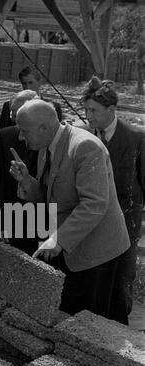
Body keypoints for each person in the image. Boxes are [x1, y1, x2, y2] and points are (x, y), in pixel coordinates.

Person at [10, 99, 130, 319]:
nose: (21, 137)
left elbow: (94, 204)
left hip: (97, 253)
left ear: (44, 128)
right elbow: (53, 196)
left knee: (93, 322)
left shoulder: (84, 146)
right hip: (73, 247)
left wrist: (59, 240)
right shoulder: (48, 145)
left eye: (24, 132)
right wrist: (27, 181)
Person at [82, 76, 145, 325]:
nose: (89, 116)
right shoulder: (84, 135)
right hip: (91, 224)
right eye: (86, 110)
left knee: (120, 284)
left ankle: (120, 336)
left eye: (94, 111)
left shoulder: (136, 137)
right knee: (93, 282)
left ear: (111, 110)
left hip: (125, 225)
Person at [0, 89, 40, 255]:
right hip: (12, 215)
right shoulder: (5, 137)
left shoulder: (47, 138)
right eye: (12, 113)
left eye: (17, 113)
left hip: (39, 215)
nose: (13, 118)